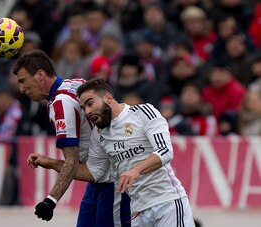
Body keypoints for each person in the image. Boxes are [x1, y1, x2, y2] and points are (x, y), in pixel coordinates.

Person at [28, 79, 195, 227]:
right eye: (83, 107)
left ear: (108, 98)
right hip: (138, 212)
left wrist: (135, 170)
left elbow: (165, 151)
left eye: (90, 103)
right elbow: (93, 173)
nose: (87, 111)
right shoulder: (99, 135)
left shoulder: (143, 112)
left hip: (168, 203)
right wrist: (50, 163)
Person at [12, 50, 130, 226]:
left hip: (112, 182)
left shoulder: (61, 102)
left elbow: (72, 160)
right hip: (98, 178)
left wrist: (51, 200)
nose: (21, 89)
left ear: (40, 75)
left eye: (23, 81)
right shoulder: (75, 84)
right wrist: (50, 162)